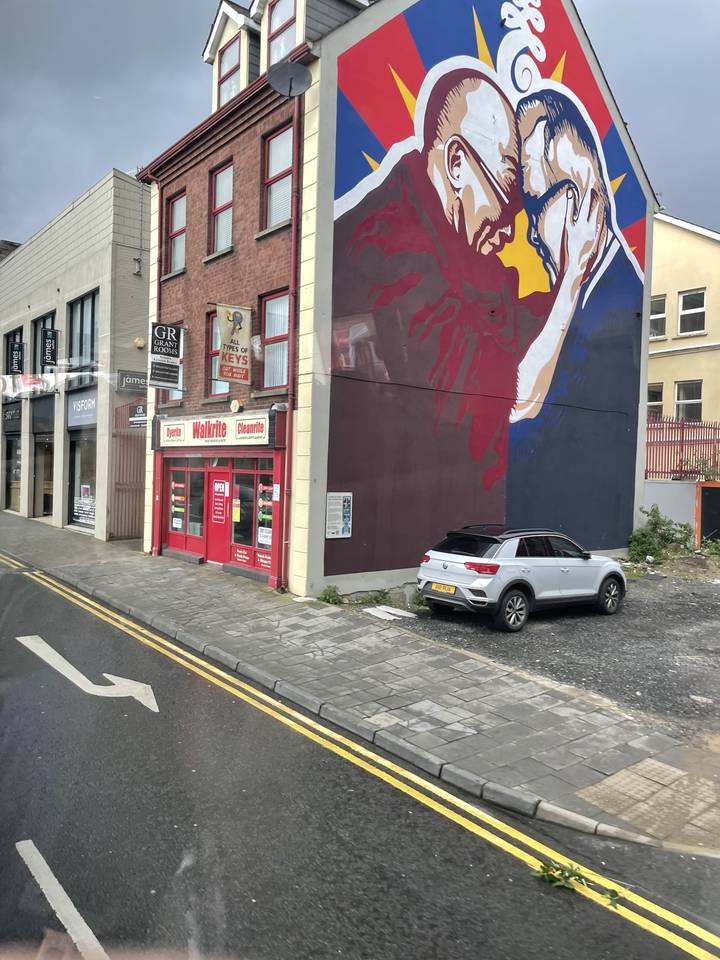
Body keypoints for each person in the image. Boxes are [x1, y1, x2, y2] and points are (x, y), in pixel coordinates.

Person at [326, 64, 598, 574]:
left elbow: (517, 328)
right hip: (398, 539)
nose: (517, 219)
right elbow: (516, 392)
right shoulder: (386, 252)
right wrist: (572, 278)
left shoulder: (461, 247)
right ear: (456, 163)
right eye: (509, 189)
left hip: (458, 541)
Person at [506, 88, 644, 548]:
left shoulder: (618, 305)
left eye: (535, 203)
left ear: (579, 197)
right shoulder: (566, 303)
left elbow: (520, 417)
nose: (528, 228)